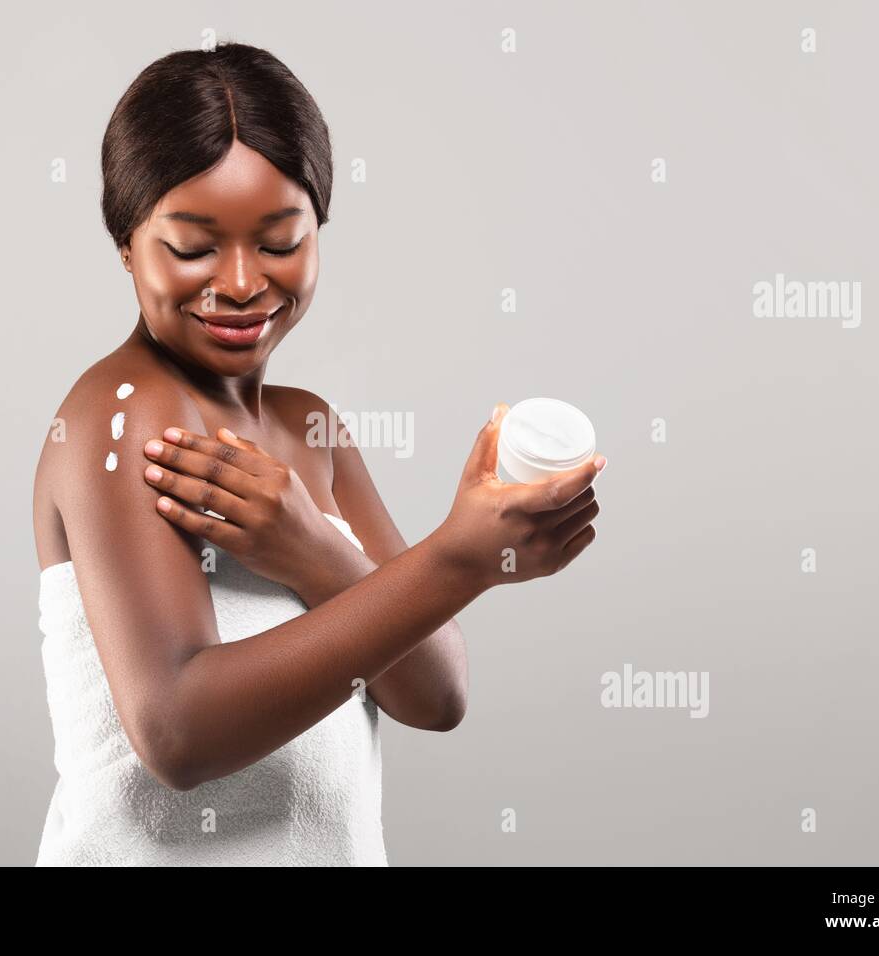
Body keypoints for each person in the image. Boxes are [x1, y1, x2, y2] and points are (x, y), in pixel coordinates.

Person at [31, 41, 605, 866]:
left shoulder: (312, 432)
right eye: (192, 247)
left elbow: (437, 693)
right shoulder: (124, 416)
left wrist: (312, 549)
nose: (238, 282)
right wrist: (457, 558)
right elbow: (178, 731)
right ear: (126, 242)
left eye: (278, 241)